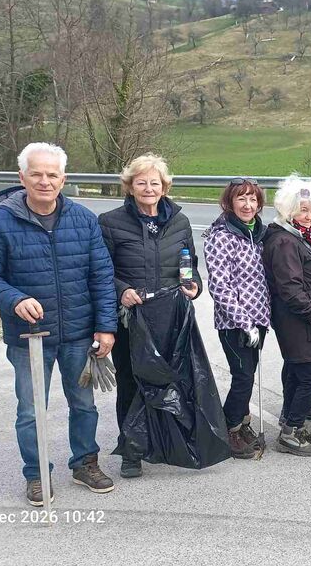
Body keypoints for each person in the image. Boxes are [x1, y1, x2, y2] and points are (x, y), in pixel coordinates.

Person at [0, 142, 118, 506]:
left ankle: (85, 463)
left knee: (83, 404)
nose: (44, 181)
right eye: (36, 173)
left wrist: (106, 327)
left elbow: (101, 277)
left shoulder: (83, 219)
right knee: (31, 410)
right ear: (22, 177)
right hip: (29, 337)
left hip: (78, 334)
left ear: (63, 179)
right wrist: (15, 299)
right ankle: (37, 473)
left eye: (52, 174)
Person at [98, 153, 202, 479]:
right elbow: (101, 270)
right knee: (132, 382)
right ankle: (131, 451)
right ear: (129, 187)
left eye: (154, 183)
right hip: (132, 318)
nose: (148, 188)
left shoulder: (180, 222)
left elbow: (188, 261)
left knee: (171, 379)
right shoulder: (110, 222)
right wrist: (121, 290)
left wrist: (193, 284)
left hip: (171, 315)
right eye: (141, 182)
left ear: (164, 187)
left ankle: (168, 442)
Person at [262, 175, 311, 456]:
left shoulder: (297, 236)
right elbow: (290, 288)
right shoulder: (284, 241)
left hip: (299, 318)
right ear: (289, 209)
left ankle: (292, 423)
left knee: (296, 371)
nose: (308, 215)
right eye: (303, 210)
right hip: (297, 320)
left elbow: (299, 275)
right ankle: (290, 431)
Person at [202, 178, 271, 459]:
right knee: (242, 376)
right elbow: (220, 286)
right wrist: (244, 322)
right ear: (230, 202)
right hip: (234, 323)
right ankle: (229, 428)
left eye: (253, 199)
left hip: (259, 318)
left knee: (249, 374)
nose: (248, 205)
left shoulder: (259, 233)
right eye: (241, 198)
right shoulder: (221, 236)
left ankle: (243, 423)